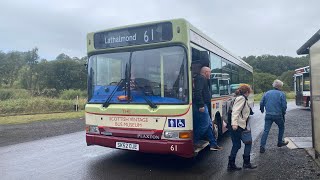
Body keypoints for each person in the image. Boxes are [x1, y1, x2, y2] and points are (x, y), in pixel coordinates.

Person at [228, 84, 257, 171]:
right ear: (247, 92)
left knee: (236, 145)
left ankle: (231, 165)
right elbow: (235, 111)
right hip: (238, 126)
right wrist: (234, 124)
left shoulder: (237, 97)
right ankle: (246, 163)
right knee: (248, 142)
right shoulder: (241, 98)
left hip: (235, 125)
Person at [193, 66, 222, 151]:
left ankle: (213, 144)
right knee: (205, 125)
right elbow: (198, 92)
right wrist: (201, 105)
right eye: (209, 72)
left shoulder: (203, 79)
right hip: (201, 105)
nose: (210, 74)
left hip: (204, 104)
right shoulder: (201, 78)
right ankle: (194, 141)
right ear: (206, 72)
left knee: (209, 125)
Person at [259, 79, 288, 153]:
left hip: (268, 114)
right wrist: (283, 112)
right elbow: (284, 106)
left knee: (266, 130)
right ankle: (280, 141)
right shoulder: (282, 94)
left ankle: (262, 146)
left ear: (273, 85)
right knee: (281, 127)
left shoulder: (267, 93)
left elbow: (261, 102)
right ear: (280, 86)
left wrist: (262, 109)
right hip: (278, 115)